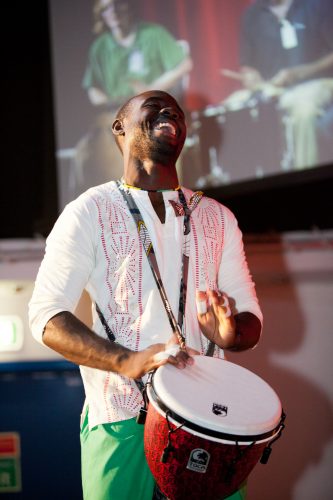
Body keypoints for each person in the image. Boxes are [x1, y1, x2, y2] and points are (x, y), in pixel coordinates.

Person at [29, 90, 263, 500]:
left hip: (212, 428)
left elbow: (250, 322)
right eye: (154, 105)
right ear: (120, 127)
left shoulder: (218, 217)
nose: (169, 111)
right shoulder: (90, 211)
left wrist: (230, 333)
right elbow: (46, 316)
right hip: (121, 421)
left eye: (176, 110)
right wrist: (127, 360)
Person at [72, 0, 193, 197]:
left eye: (117, 6)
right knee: (84, 153)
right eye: (106, 9)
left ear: (127, 6)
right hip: (116, 116)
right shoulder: (99, 47)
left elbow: (184, 64)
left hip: (153, 116)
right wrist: (112, 102)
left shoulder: (153, 34)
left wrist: (151, 90)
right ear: (101, 15)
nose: (113, 13)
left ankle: (167, 198)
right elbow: (93, 89)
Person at [222, 0, 333, 171]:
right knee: (230, 107)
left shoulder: (317, 5)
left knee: (302, 110)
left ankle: (304, 178)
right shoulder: (251, 15)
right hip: (271, 88)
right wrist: (250, 76)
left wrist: (302, 72)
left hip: (317, 82)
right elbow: (247, 66)